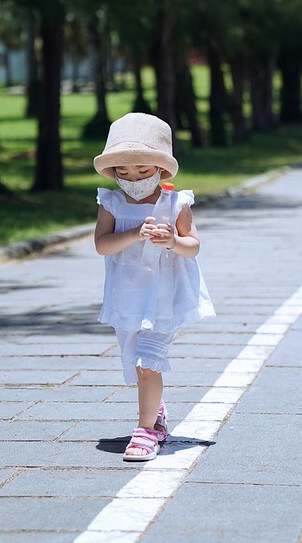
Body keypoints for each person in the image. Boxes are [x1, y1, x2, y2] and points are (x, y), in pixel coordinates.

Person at [93, 112, 215, 461]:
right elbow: (103, 244)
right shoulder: (112, 203)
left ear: (161, 168)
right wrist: (133, 233)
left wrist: (173, 240)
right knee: (133, 362)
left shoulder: (175, 203)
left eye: (143, 171)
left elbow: (193, 246)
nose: (133, 178)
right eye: (123, 172)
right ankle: (155, 412)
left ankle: (145, 431)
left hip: (163, 296)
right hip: (127, 295)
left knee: (149, 362)